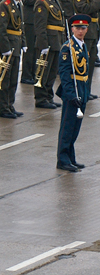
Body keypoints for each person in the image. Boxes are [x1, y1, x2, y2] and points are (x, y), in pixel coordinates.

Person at [57, 15, 90, 172]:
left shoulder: (82, 45)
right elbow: (64, 74)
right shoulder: (67, 48)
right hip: (72, 92)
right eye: (77, 28)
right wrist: (71, 95)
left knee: (75, 129)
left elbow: (85, 73)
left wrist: (86, 93)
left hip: (82, 90)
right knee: (67, 127)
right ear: (72, 29)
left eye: (83, 28)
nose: (80, 31)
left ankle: (70, 157)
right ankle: (62, 159)